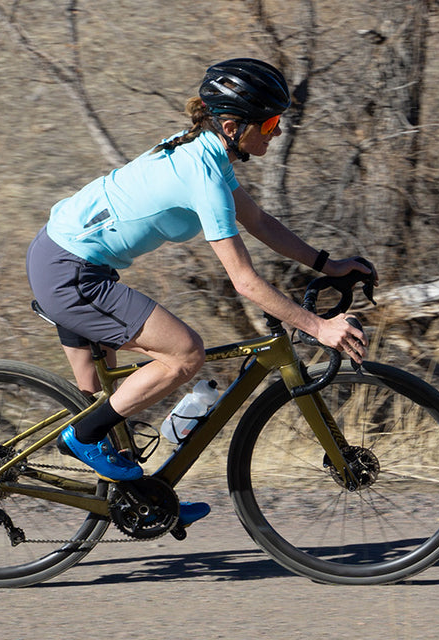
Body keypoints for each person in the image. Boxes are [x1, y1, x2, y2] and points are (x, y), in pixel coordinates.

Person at [25, 58, 370, 527]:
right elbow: (244, 282)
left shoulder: (206, 153)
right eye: (270, 122)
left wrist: (328, 264)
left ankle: (141, 497)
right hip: (70, 271)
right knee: (185, 355)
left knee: (105, 406)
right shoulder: (202, 173)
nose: (278, 131)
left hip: (64, 256)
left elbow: (260, 222)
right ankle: (82, 437)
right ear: (232, 125)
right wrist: (318, 327)